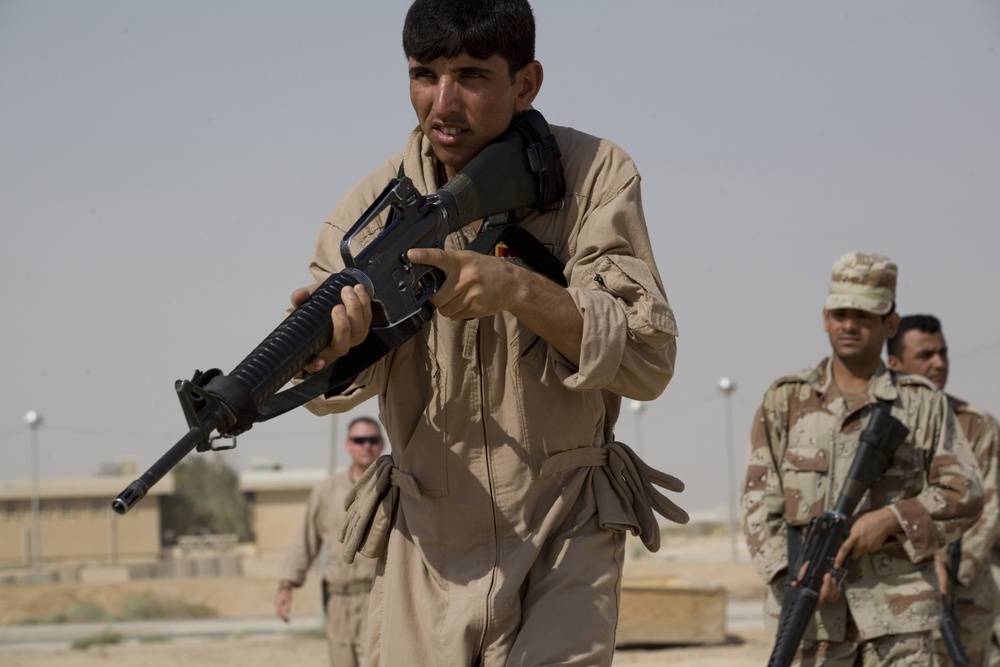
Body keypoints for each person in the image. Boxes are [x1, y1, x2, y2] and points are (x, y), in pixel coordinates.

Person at [287, 1, 686, 664]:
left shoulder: (592, 176)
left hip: (564, 529)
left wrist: (521, 291)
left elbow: (646, 358)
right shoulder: (362, 217)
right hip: (427, 545)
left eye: (471, 76)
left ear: (526, 82)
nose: (442, 103)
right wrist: (330, 349)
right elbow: (328, 386)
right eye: (424, 75)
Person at [741, 252, 983, 666]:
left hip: (898, 621)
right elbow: (758, 505)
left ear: (890, 323)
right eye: (840, 313)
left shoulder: (920, 403)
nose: (848, 325)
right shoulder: (785, 400)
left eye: (863, 315)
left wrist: (892, 520)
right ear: (824, 317)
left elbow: (966, 492)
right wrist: (793, 573)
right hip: (812, 621)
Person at [887, 314, 1000, 667]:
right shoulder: (879, 425)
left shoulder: (974, 423)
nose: (939, 363)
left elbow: (991, 508)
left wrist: (951, 571)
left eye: (943, 353)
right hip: (897, 602)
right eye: (925, 355)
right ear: (895, 364)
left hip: (965, 604)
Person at [274, 416, 385, 667]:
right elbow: (306, 540)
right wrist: (286, 584)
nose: (366, 446)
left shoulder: (392, 489)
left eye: (372, 440)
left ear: (382, 444)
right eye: (359, 440)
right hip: (338, 601)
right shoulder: (326, 491)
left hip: (378, 599)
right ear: (348, 445)